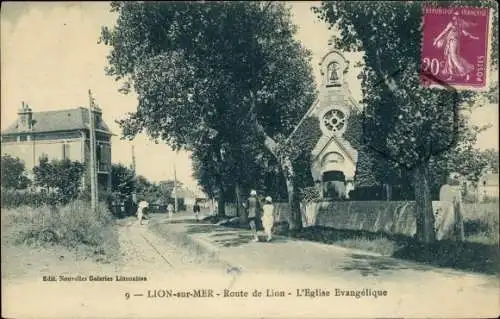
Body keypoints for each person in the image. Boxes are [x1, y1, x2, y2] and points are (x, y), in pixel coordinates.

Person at [432, 11, 479, 81]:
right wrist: (436, 40)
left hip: (454, 42)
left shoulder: (458, 25)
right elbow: (444, 32)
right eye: (455, 16)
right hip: (451, 42)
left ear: (458, 17)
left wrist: (473, 37)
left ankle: (465, 71)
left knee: (453, 56)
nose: (456, 17)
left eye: (457, 16)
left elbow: (465, 33)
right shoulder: (453, 24)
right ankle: (452, 75)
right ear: (453, 17)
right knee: (450, 57)